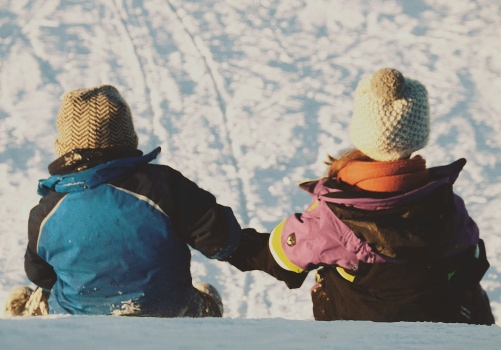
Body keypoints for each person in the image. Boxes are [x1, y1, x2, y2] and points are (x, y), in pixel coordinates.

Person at [225, 68, 495, 324]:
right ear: (418, 133)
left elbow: (280, 256)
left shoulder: (331, 218)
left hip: (355, 330)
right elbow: (469, 260)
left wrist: (223, 240)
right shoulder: (448, 206)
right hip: (432, 324)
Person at [3, 85, 240, 318]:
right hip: (167, 312)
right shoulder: (162, 186)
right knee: (202, 297)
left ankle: (32, 310)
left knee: (46, 291)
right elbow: (220, 237)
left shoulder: (47, 211)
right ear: (128, 137)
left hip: (78, 317)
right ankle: (208, 310)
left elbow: (40, 275)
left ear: (65, 146)